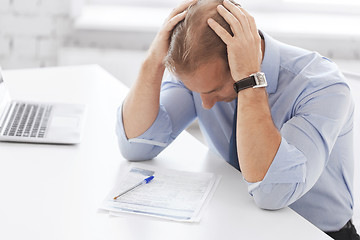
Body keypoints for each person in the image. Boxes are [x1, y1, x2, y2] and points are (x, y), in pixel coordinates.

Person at [116, 0, 359, 239]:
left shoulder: (323, 87)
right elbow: (137, 145)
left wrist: (250, 80)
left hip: (318, 234)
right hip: (235, 224)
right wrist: (153, 62)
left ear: (239, 60)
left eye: (214, 91)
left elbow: (273, 194)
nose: (205, 104)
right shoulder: (202, 77)